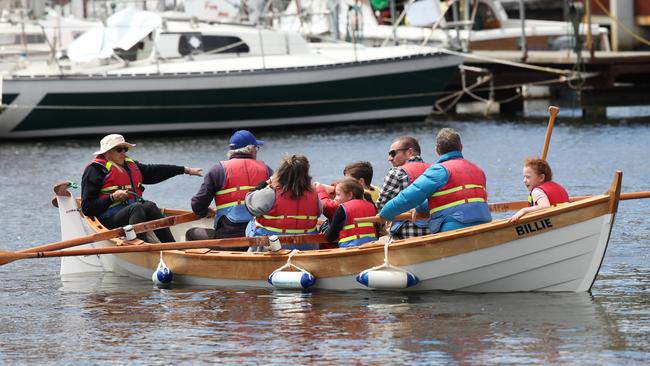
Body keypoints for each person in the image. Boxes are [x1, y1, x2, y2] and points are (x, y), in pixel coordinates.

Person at [81, 134, 203, 242]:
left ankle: (171, 245)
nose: (123, 153)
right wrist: (112, 198)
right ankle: (139, 246)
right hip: (108, 220)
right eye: (119, 149)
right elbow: (87, 208)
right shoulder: (95, 170)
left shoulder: (129, 165)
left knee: (149, 205)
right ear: (107, 153)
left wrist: (185, 170)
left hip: (129, 216)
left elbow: (155, 171)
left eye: (125, 149)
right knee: (137, 207)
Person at [379, 128, 492, 233]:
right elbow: (450, 197)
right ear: (461, 147)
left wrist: (384, 214)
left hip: (454, 226)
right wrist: (419, 208)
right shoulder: (478, 170)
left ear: (437, 150)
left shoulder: (439, 170)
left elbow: (409, 197)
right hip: (484, 223)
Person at [186, 130, 273, 248]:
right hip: (258, 239)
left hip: (228, 239)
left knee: (191, 233)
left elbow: (197, 205)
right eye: (257, 148)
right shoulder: (266, 170)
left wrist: (206, 212)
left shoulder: (218, 170)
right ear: (251, 149)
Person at [245, 154, 323, 250]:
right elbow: (319, 212)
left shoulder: (271, 192)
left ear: (282, 173)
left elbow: (249, 204)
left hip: (273, 245)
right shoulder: (314, 195)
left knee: (252, 222)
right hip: (307, 245)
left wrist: (268, 182)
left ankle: (254, 252)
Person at [376, 136, 431, 239]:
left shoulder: (396, 172)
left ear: (410, 152)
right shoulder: (435, 169)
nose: (389, 158)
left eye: (393, 153)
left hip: (408, 232)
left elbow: (381, 206)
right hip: (435, 229)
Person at [508, 157, 569, 223]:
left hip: (554, 220)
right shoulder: (558, 186)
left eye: (528, 177)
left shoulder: (537, 191)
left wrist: (523, 210)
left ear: (541, 177)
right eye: (524, 177)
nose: (524, 181)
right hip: (565, 218)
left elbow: (545, 207)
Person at [323, 178, 378, 247]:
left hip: (350, 248)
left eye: (338, 194)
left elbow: (330, 237)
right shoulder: (372, 206)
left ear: (349, 195)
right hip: (372, 247)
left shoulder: (342, 209)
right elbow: (377, 231)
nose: (335, 198)